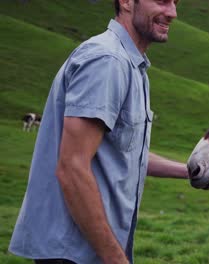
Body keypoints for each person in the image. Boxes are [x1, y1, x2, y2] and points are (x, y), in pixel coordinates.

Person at [9, 0, 187, 263]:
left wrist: (190, 171)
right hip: (73, 252)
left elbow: (124, 153)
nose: (172, 12)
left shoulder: (132, 67)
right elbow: (72, 167)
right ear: (126, 2)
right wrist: (116, 259)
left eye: (176, 2)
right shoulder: (107, 61)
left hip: (88, 249)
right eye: (162, 1)